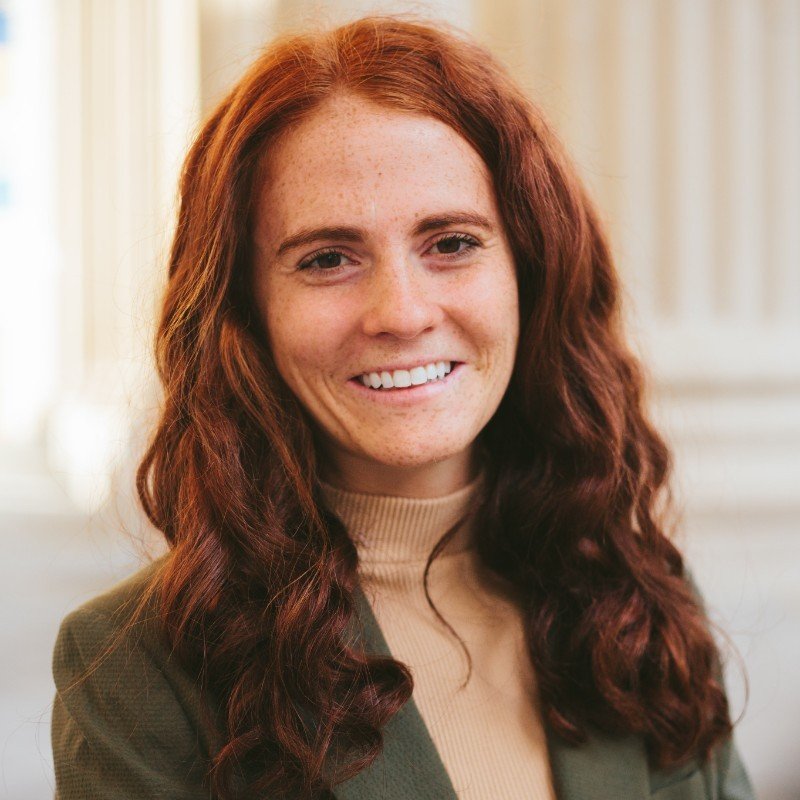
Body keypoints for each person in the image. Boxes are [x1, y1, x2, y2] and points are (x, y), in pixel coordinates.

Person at [51, 15, 755, 800]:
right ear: (246, 314)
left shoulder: (638, 603)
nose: (402, 312)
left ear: (530, 269)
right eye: (327, 258)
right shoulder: (139, 671)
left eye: (451, 242)